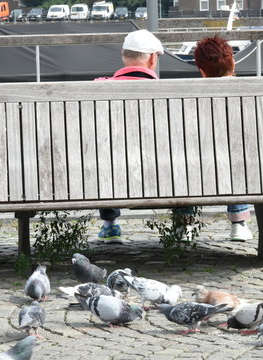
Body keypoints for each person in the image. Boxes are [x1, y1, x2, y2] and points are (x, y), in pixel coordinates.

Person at [94, 29, 164, 244]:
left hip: (111, 175)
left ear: (123, 55)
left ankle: (110, 225)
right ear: (152, 58)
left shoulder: (98, 87)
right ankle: (184, 226)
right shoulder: (167, 91)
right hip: (162, 173)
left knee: (105, 157)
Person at [193, 35, 253, 241]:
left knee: (186, 160)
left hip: (196, 173)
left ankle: (184, 225)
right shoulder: (251, 94)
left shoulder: (189, 97)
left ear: (201, 71)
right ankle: (239, 223)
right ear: (233, 62)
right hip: (242, 172)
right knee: (237, 156)